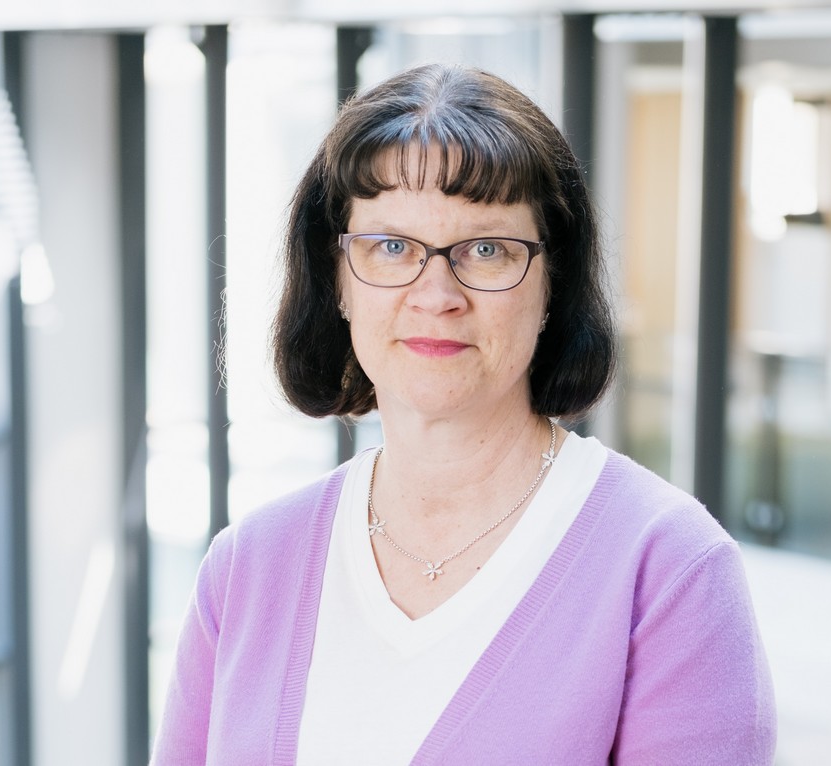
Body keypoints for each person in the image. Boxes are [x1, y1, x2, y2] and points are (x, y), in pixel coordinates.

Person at [151, 63, 776, 765]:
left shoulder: (669, 571)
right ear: (337, 281)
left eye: (486, 250)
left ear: (552, 283)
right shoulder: (247, 569)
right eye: (391, 247)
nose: (436, 294)